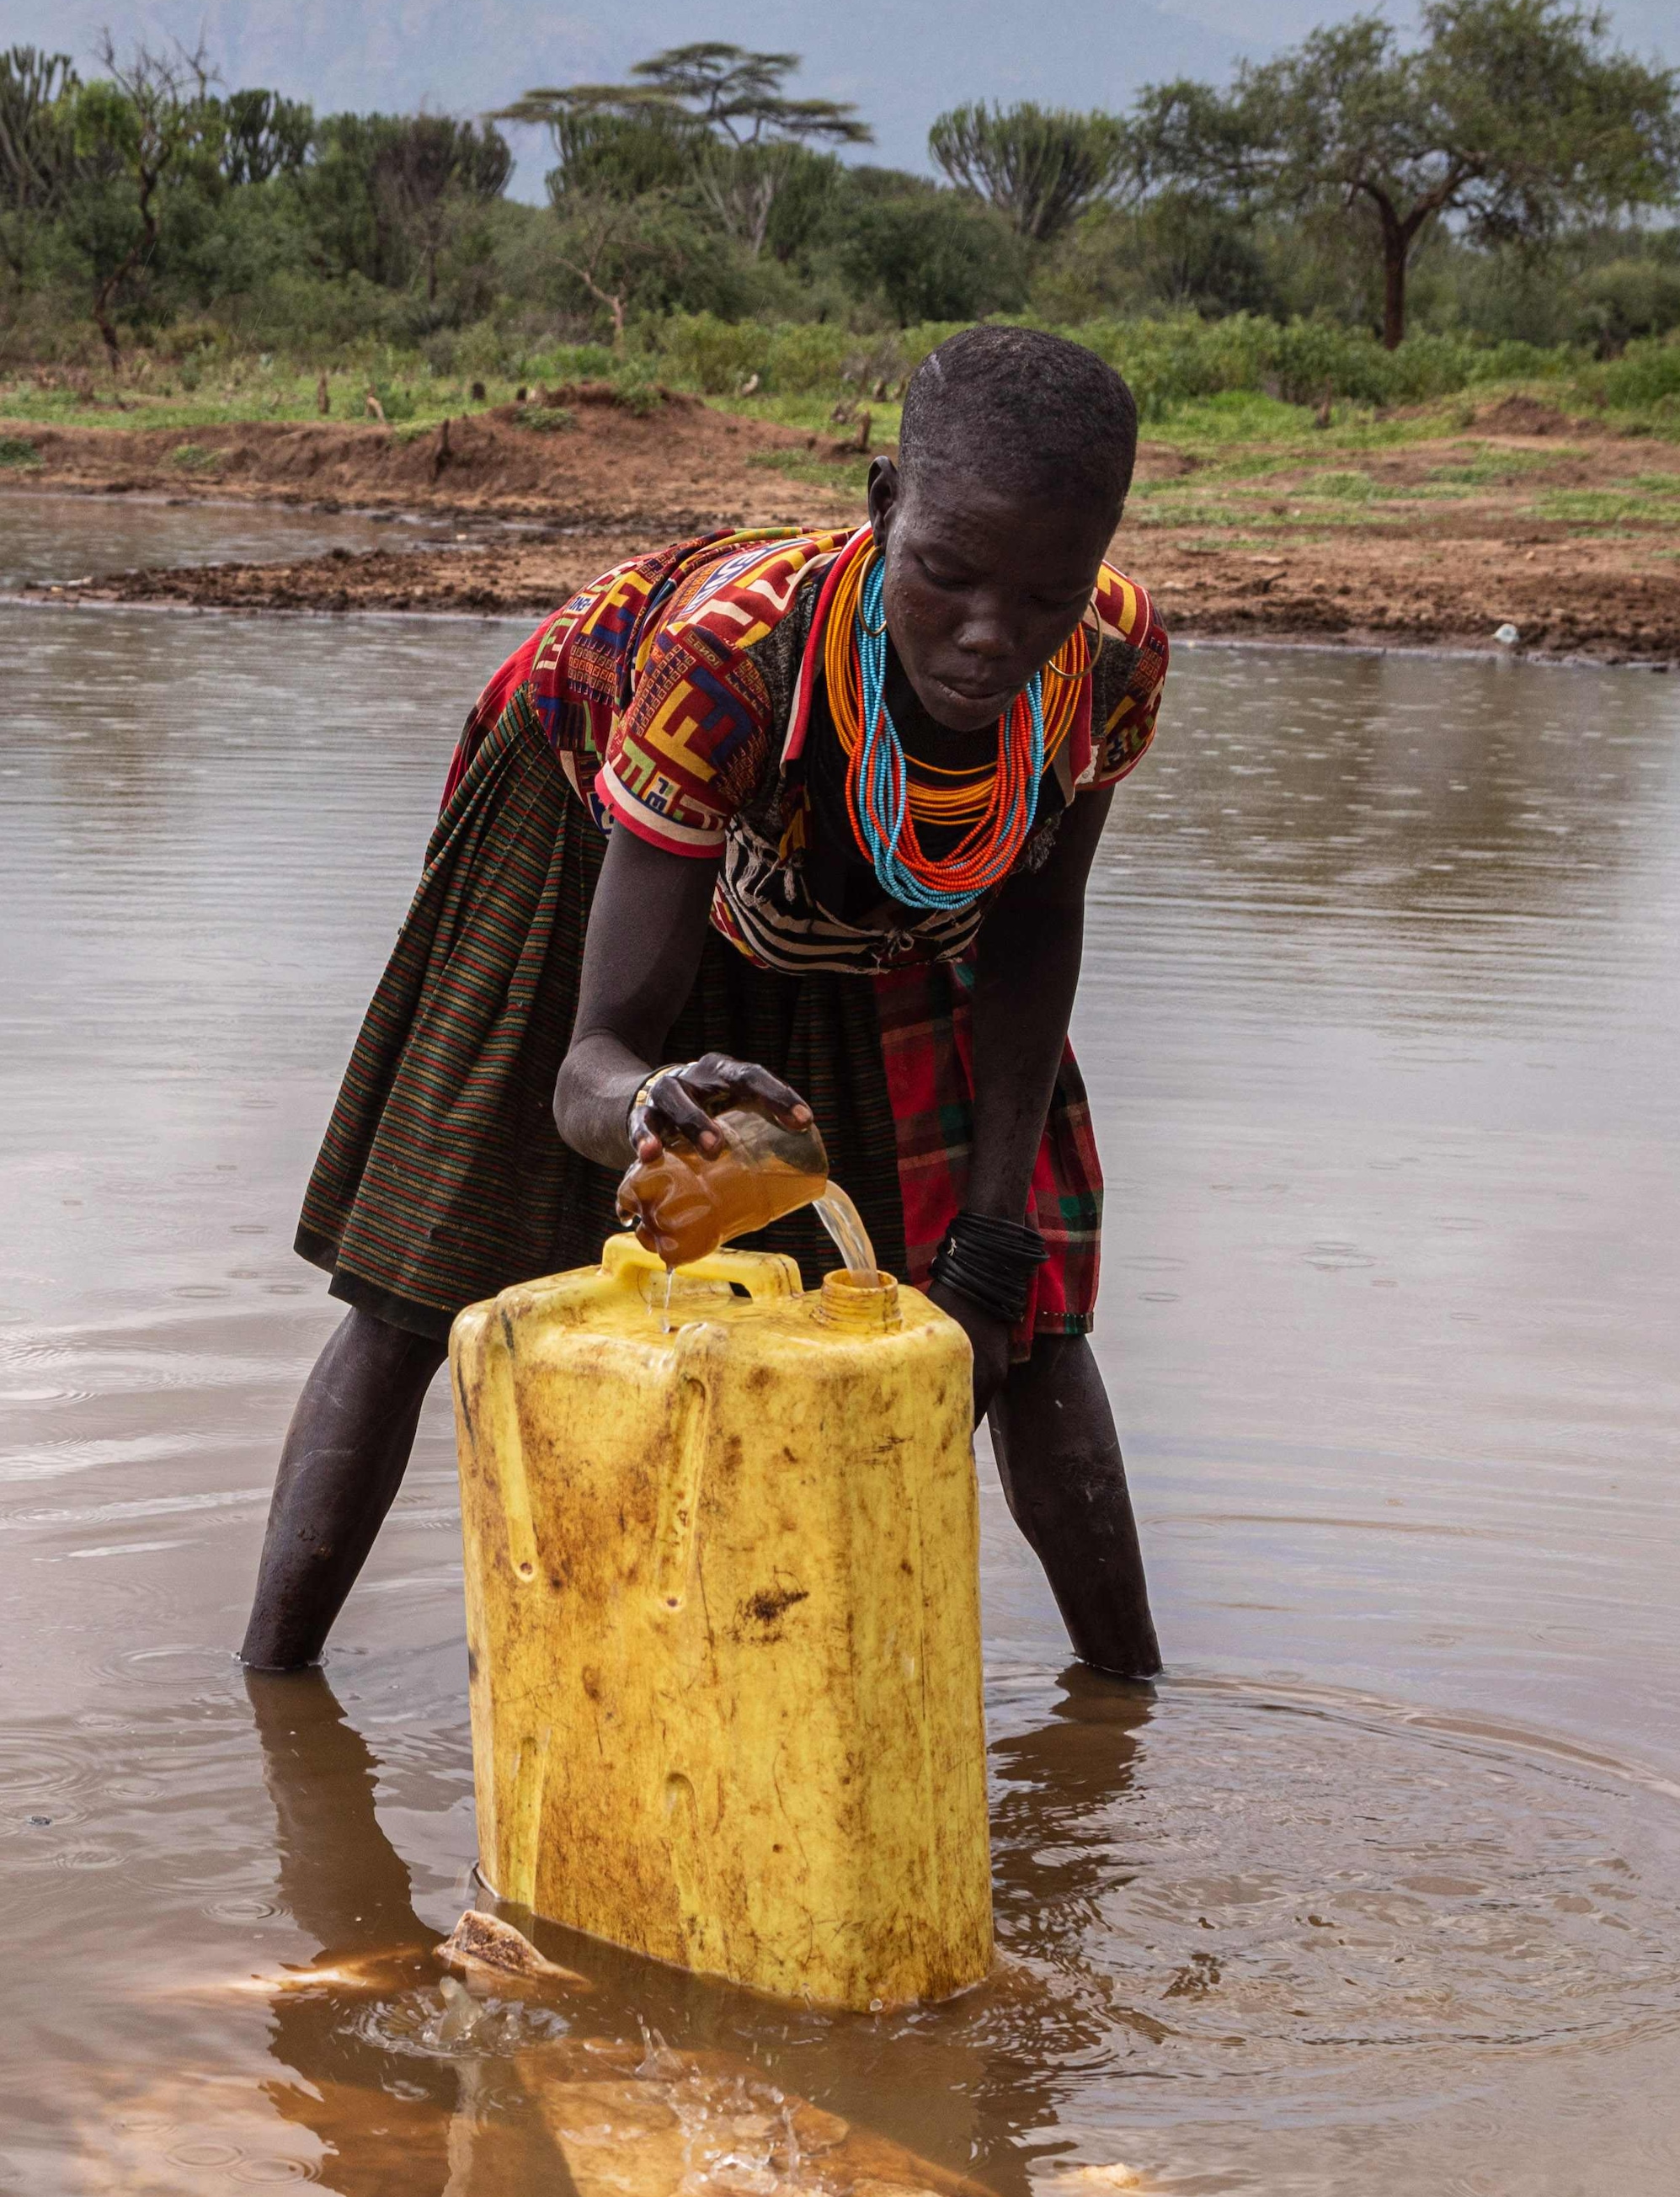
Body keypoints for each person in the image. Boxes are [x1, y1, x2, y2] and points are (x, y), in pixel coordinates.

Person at [242, 323, 1166, 1677]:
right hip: (594, 818)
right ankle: (273, 1698)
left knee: (1026, 1314)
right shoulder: (728, 665)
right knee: (425, 1274)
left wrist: (989, 1236)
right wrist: (653, 1107)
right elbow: (589, 1067)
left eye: (1042, 596)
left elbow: (1037, 926)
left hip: (893, 879)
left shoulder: (1108, 664)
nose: (989, 636)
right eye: (948, 575)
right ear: (883, 501)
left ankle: (1130, 1705)